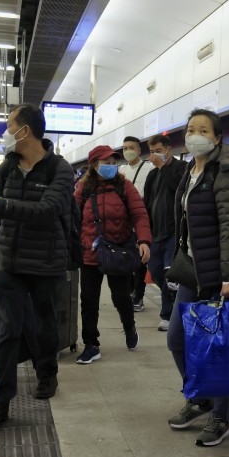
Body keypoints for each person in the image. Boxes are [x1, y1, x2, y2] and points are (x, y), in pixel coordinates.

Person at [166, 109, 229, 447]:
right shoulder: (190, 171)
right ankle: (201, 396)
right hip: (193, 269)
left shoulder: (226, 170)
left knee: (220, 347)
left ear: (217, 138)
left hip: (222, 275)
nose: (195, 135)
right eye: (191, 129)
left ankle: (221, 417)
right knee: (177, 339)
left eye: (203, 130)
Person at [0, 103, 74, 424]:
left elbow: (48, 211)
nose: (6, 132)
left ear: (25, 130)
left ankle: (47, 373)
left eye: (9, 126)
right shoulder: (7, 167)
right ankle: (0, 400)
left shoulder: (60, 169)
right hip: (9, 261)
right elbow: (1, 218)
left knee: (46, 323)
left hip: (46, 261)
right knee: (8, 328)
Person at [74, 145, 151, 364]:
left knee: (121, 297)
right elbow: (72, 216)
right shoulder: (84, 188)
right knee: (89, 300)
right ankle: (91, 344)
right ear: (94, 165)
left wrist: (144, 241)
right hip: (91, 251)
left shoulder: (124, 186)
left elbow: (139, 214)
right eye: (105, 163)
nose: (111, 166)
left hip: (118, 250)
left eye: (113, 163)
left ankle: (129, 325)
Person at [143, 134, 185, 331]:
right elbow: (147, 202)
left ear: (169, 150)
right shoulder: (152, 175)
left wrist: (162, 167)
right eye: (152, 152)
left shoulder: (182, 168)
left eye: (158, 151)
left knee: (170, 274)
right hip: (156, 232)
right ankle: (175, 300)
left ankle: (167, 315)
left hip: (174, 231)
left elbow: (179, 190)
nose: (155, 155)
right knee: (155, 271)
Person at [119, 135, 154, 312]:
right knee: (126, 261)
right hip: (124, 223)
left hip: (141, 221)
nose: (128, 151)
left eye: (131, 147)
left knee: (141, 262)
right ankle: (129, 292)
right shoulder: (121, 170)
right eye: (125, 148)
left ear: (139, 150)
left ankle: (138, 297)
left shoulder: (149, 169)